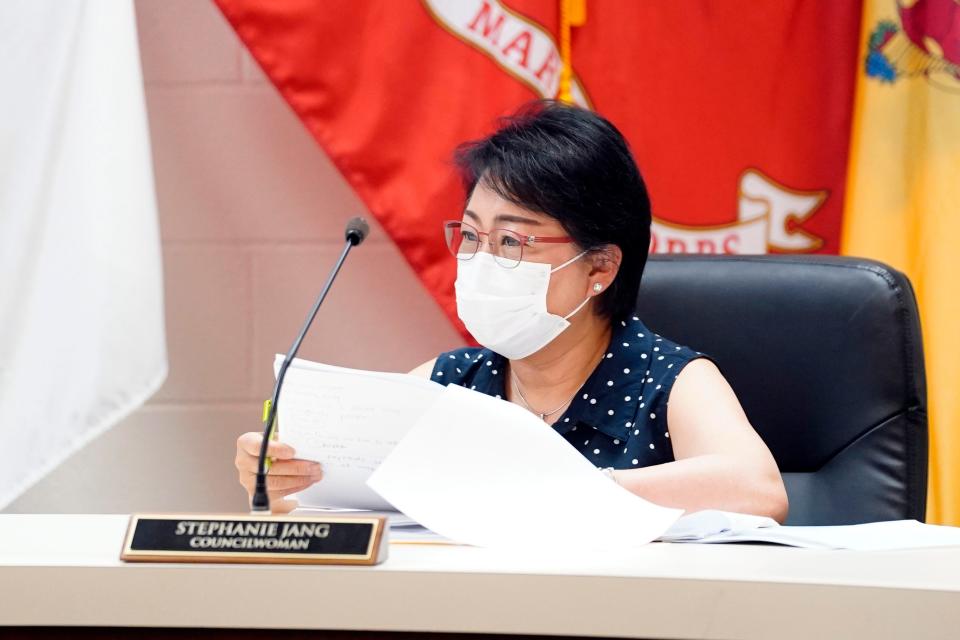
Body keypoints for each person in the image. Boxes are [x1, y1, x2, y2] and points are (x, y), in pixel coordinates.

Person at [236, 101, 789, 521]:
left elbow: (758, 491)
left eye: (511, 242)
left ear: (599, 267)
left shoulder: (667, 380)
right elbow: (346, 501)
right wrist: (284, 478)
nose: (479, 260)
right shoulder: (448, 383)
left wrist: (554, 488)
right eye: (472, 236)